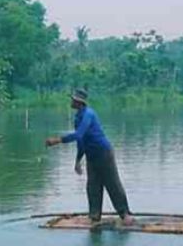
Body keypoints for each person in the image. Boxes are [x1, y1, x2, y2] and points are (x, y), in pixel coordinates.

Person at [46, 88, 135, 225]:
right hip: (91, 156)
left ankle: (125, 214)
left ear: (79, 102)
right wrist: (77, 161)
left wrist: (58, 140)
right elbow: (81, 141)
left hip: (103, 153)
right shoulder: (77, 118)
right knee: (92, 186)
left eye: (73, 100)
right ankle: (94, 216)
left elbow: (78, 135)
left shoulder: (88, 115)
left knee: (112, 183)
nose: (71, 101)